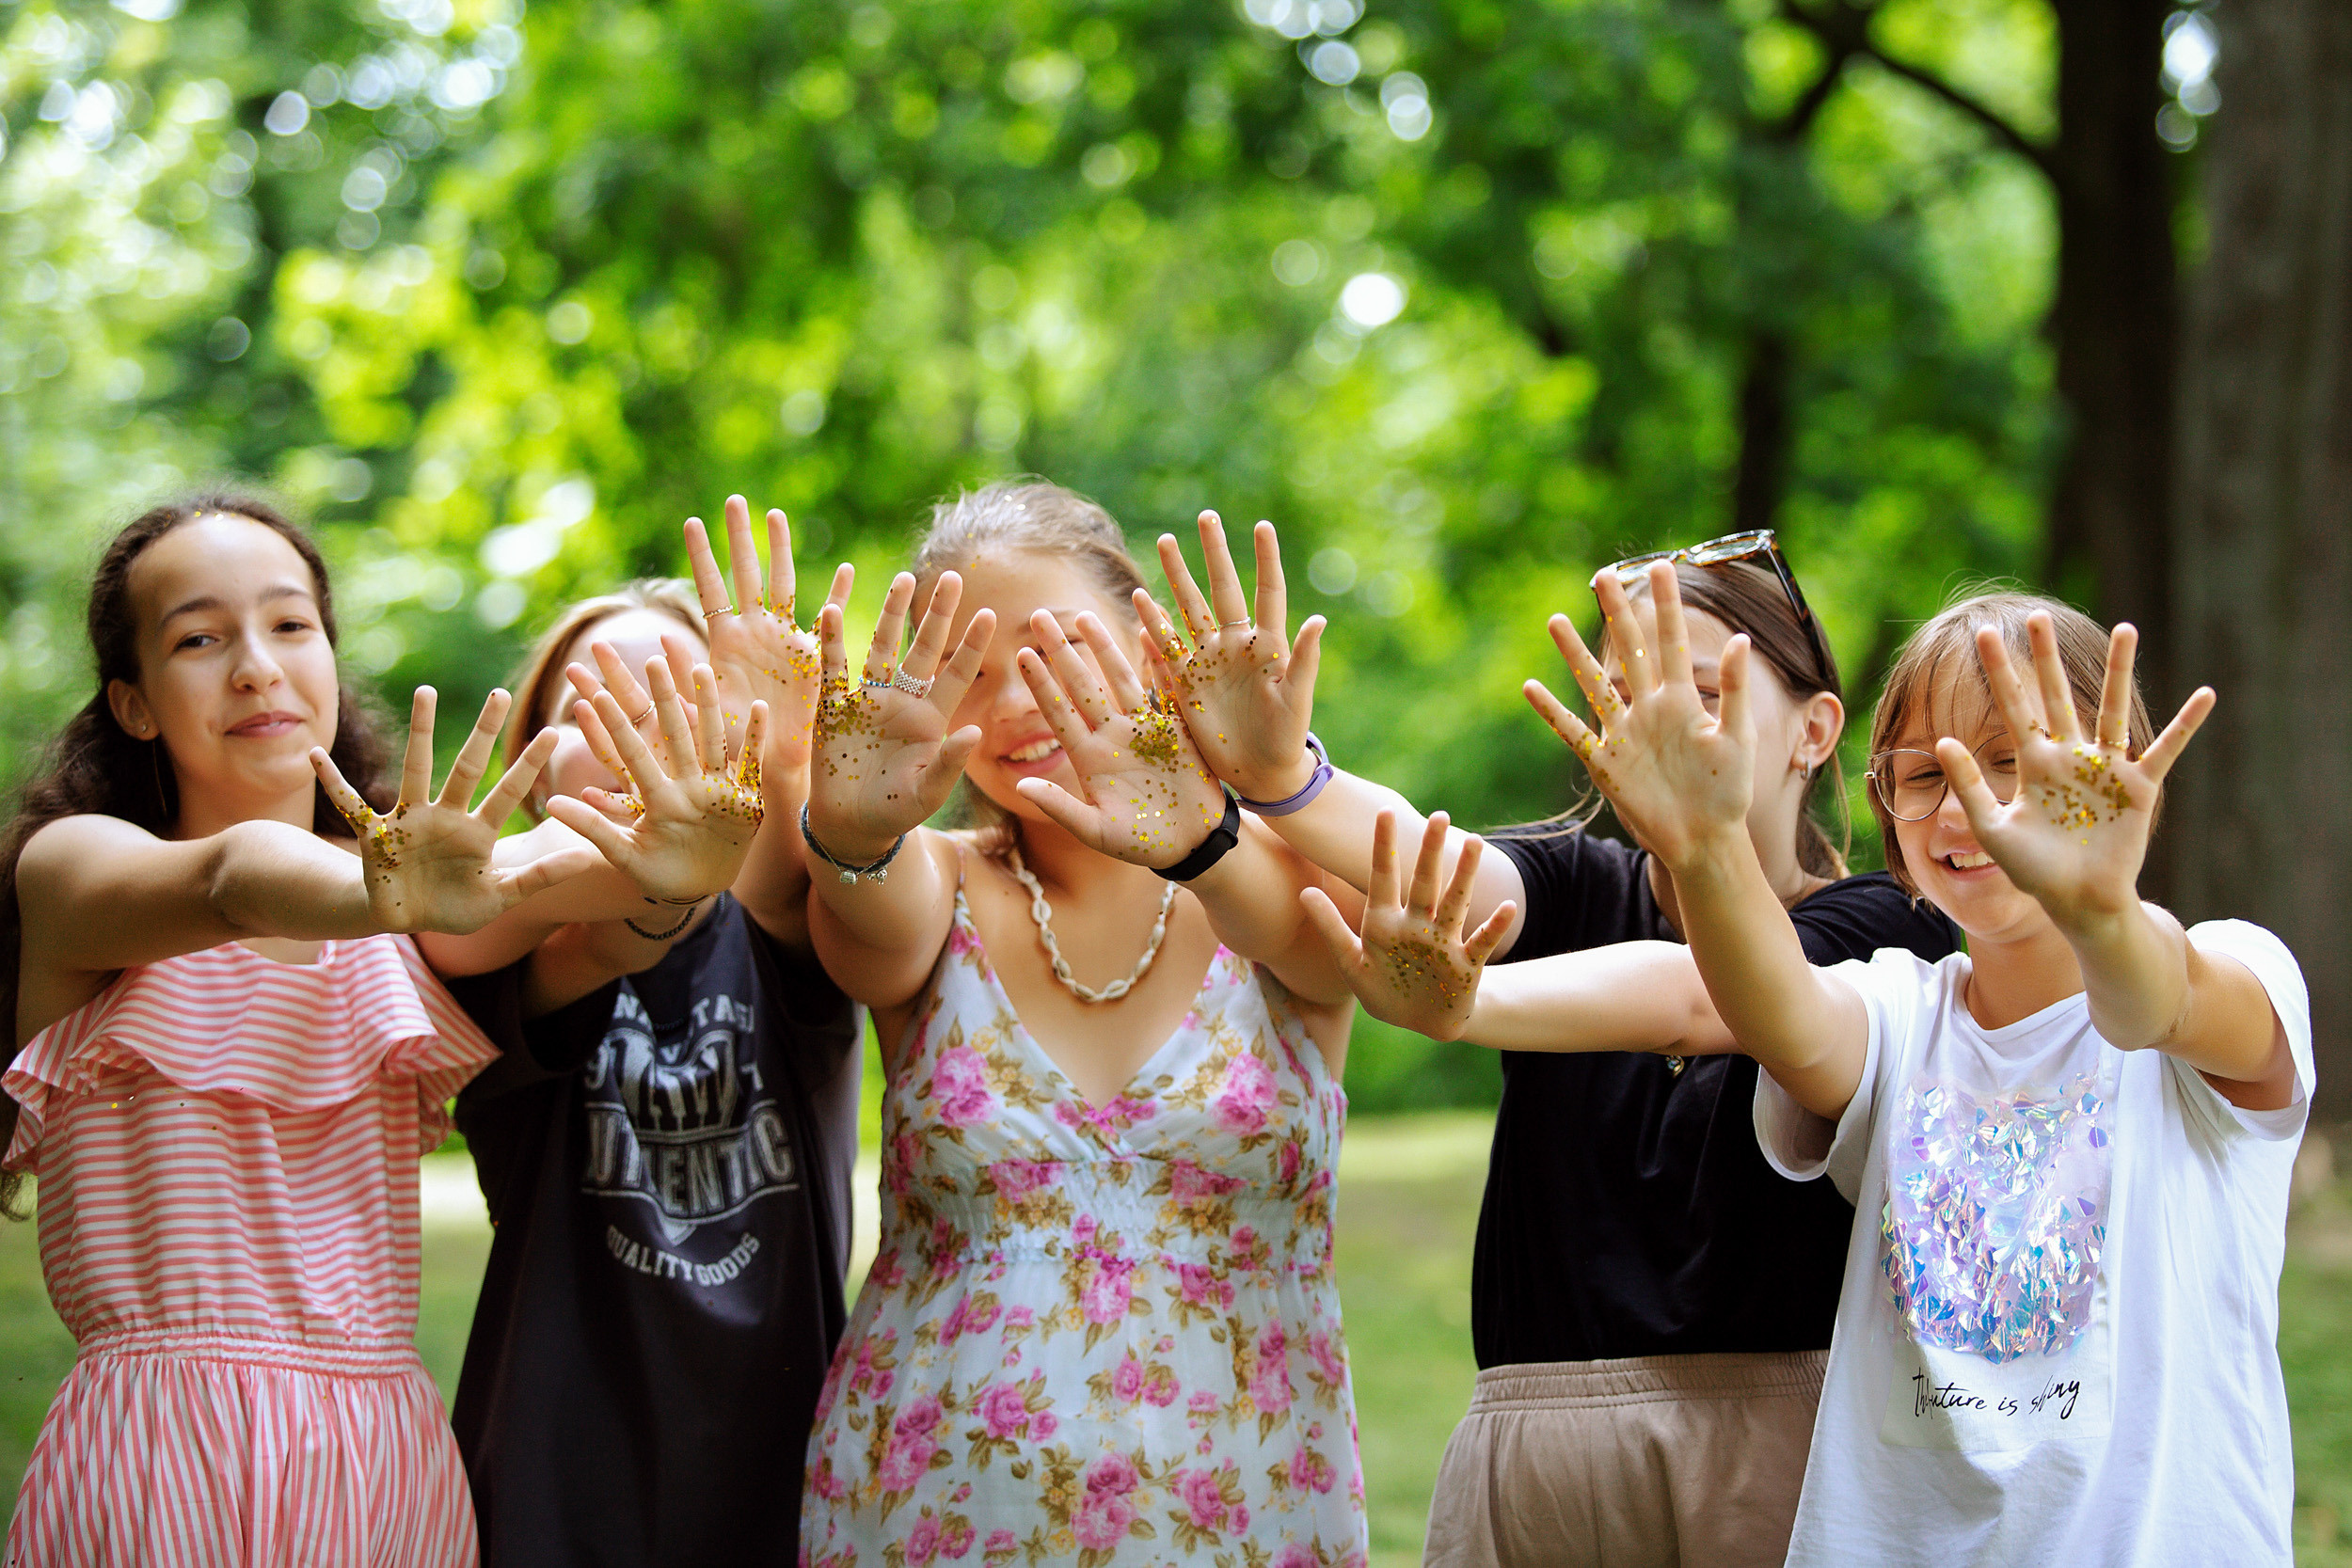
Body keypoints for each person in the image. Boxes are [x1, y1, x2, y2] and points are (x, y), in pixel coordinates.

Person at [1142, 515, 1962, 1566]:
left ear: (1813, 730)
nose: (1657, 727)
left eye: (1704, 694)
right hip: (1528, 1457)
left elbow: (1694, 995)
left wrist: (1460, 1003)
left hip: (1772, 1458)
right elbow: (1422, 856)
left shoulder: (1886, 923)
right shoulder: (1577, 883)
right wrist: (1282, 775)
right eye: (1621, 699)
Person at [1543, 572, 2307, 1564]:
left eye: (2010, 762)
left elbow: (2154, 998)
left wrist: (2100, 911)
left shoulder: (2241, 967)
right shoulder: (1897, 1007)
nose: (1968, 810)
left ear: (2108, 775)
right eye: (1924, 774)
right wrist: (1703, 842)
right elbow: (1780, 1011)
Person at [0, 494, 622, 1564]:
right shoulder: (78, 871)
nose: (256, 665)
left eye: (291, 625)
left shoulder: (409, 929)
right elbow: (237, 878)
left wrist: (691, 853)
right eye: (200, 637)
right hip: (162, 1458)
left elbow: (578, 882)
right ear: (134, 702)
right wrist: (385, 890)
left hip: (388, 1466)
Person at [796, 482, 1369, 1568]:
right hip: (929, 1517)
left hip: (1248, 1517)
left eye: (1051, 647)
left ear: (1152, 648)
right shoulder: (934, 882)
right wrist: (845, 830)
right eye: (969, 667)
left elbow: (1317, 941)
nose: (1013, 699)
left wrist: (1210, 818)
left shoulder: (1287, 878)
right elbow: (864, 910)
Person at [441, 498, 866, 1568]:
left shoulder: (796, 925)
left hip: (787, 1493)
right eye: (590, 708)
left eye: (677, 696)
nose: (635, 730)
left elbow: (773, 877)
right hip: (555, 1503)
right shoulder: (506, 950)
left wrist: (785, 758)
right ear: (531, 765)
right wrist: (657, 890)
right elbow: (598, 946)